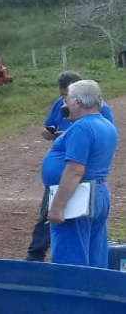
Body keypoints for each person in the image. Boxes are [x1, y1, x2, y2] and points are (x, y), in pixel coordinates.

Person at [24, 71, 114, 261]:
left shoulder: (82, 128)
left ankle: (72, 291)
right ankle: (94, 290)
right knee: (94, 254)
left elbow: (75, 170)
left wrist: (56, 207)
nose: (64, 106)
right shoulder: (106, 125)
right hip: (97, 193)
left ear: (78, 103)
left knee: (71, 259)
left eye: (67, 101)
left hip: (77, 196)